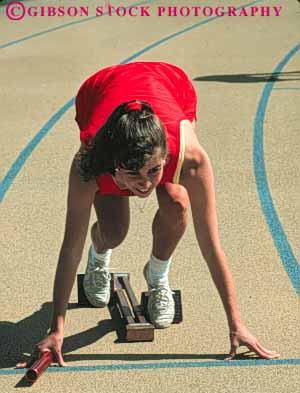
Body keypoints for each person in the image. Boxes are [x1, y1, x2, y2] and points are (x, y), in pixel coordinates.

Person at [17, 62, 279, 368]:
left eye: (154, 171)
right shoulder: (89, 163)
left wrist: (236, 323)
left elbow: (211, 246)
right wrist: (56, 329)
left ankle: (158, 275)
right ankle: (99, 256)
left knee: (175, 201)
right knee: (115, 229)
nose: (144, 184)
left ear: (165, 156)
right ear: (113, 164)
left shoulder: (191, 157)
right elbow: (70, 246)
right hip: (99, 91)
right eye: (133, 174)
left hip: (170, 85)